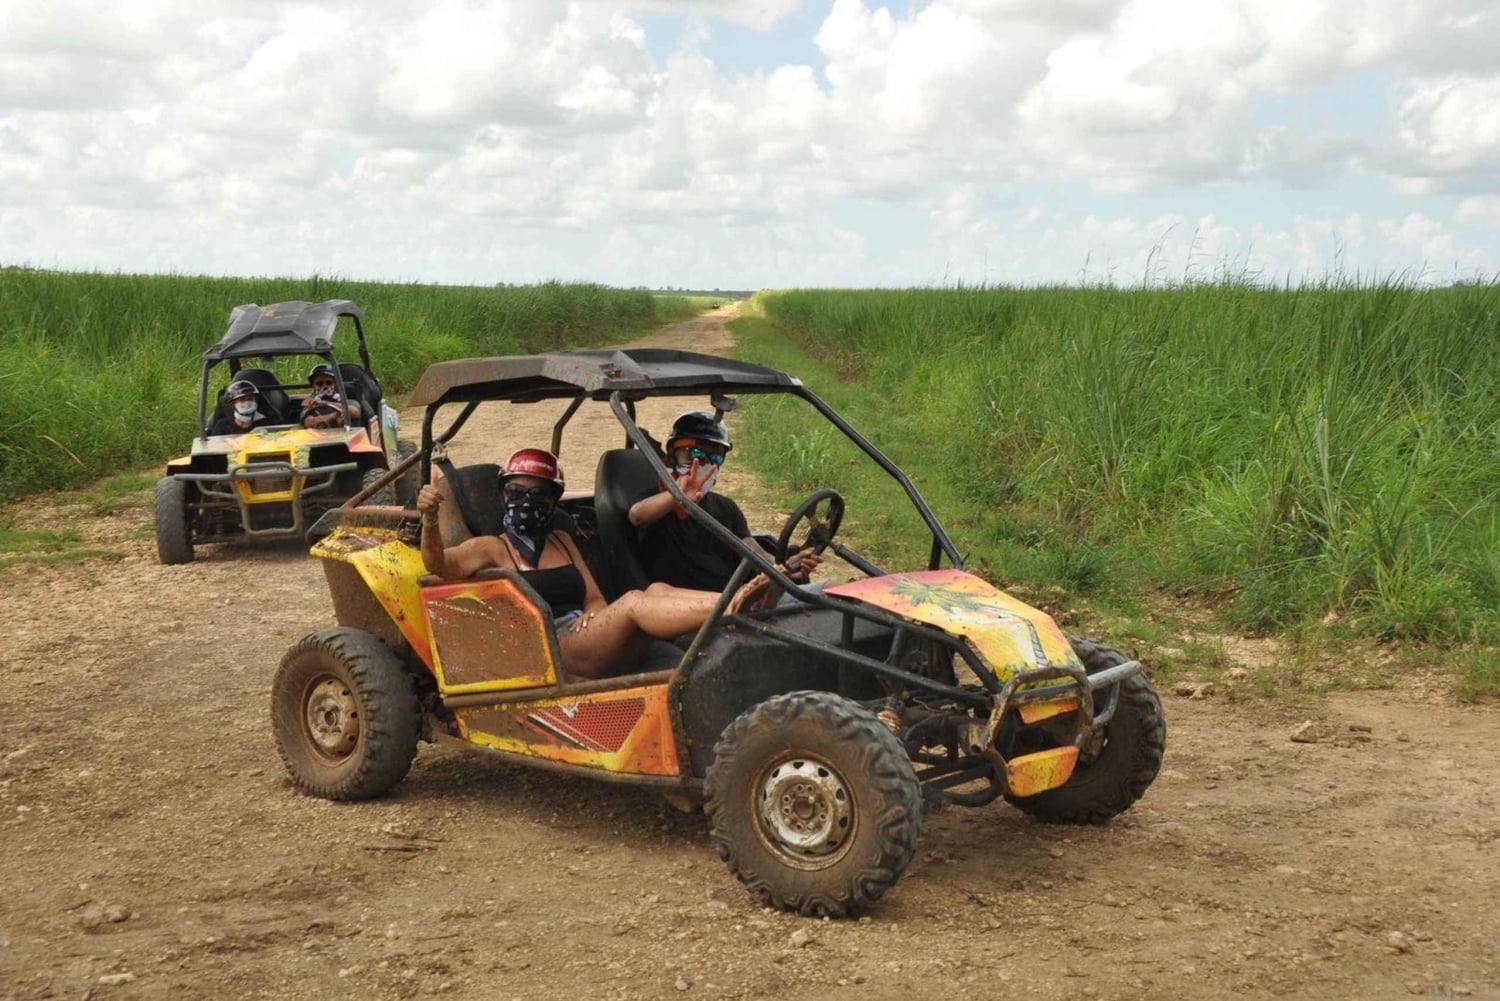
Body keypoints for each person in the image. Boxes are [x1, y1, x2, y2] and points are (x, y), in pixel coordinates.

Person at [417, 448, 780, 680]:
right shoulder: (489, 548)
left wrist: (595, 613)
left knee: (656, 590)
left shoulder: (561, 540)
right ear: (502, 495)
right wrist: (430, 518)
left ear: (553, 499)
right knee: (635, 602)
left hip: (587, 636)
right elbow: (438, 564)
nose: (526, 501)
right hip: (555, 649)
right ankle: (733, 604)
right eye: (516, 493)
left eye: (538, 494)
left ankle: (736, 601)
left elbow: (593, 598)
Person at [628, 410, 820, 593]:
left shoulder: (726, 508)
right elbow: (637, 516)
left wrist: (787, 565)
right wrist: (677, 496)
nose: (703, 464)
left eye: (715, 457)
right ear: (671, 457)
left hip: (738, 600)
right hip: (687, 611)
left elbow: (755, 553)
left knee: (830, 588)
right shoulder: (654, 502)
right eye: (694, 455)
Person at [301, 364, 363, 429]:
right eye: (319, 384)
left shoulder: (349, 402)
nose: (324, 386)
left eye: (328, 383)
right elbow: (309, 422)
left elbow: (355, 412)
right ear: (313, 386)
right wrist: (333, 416)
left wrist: (323, 403)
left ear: (336, 385)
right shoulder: (310, 405)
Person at [209, 379, 274, 436]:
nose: (247, 403)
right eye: (242, 399)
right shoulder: (222, 426)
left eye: (250, 399)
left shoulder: (266, 424)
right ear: (232, 403)